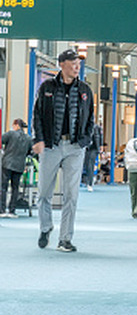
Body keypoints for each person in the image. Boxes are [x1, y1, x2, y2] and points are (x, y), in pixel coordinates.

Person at [33, 48, 95, 252]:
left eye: (78, 63)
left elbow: (90, 119)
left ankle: (65, 239)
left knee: (71, 194)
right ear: (62, 64)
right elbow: (38, 116)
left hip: (75, 147)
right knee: (44, 193)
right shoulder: (47, 87)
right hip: (52, 146)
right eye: (72, 62)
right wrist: (40, 140)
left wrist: (85, 141)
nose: (77, 66)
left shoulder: (85, 90)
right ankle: (45, 227)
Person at [0, 118, 33, 218]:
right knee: (15, 188)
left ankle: (1, 210)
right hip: (19, 166)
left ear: (16, 125)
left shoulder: (10, 134)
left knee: (3, 187)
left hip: (7, 164)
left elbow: (1, 140)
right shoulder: (28, 138)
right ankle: (12, 210)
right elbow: (31, 152)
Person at [81, 124, 103, 191]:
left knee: (90, 165)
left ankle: (90, 183)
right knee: (87, 165)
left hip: (93, 148)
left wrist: (100, 146)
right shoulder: (84, 126)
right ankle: (89, 181)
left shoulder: (96, 127)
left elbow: (99, 137)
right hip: (87, 147)